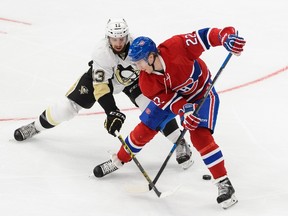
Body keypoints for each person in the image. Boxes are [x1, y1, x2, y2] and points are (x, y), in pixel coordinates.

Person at [94, 26, 246, 209]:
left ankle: (224, 183)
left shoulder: (177, 46)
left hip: (201, 94)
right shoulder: (146, 81)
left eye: (139, 62)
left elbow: (206, 36)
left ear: (151, 57)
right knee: (145, 128)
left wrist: (226, 37)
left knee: (199, 135)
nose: (137, 67)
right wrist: (185, 111)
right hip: (177, 100)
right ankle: (118, 160)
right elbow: (171, 102)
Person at [13, 18, 193, 169]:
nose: (118, 43)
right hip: (102, 81)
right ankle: (36, 126)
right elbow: (101, 87)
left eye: (121, 38)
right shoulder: (101, 52)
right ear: (108, 38)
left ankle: (180, 142)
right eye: (114, 39)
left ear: (127, 35)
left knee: (154, 109)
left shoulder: (137, 45)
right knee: (66, 108)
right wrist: (111, 111)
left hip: (132, 81)